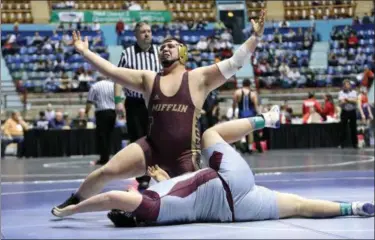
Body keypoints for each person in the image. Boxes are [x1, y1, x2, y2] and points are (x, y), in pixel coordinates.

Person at [52, 10, 267, 218]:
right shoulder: (149, 79)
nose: (165, 48)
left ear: (183, 53)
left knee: (188, 203)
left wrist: (255, 37)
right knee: (106, 171)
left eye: (171, 46)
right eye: (163, 46)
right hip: (151, 147)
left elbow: (235, 63)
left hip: (185, 156)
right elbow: (112, 72)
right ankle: (74, 200)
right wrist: (85, 52)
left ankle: (136, 211)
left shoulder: (198, 78)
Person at [52, 106, 374, 226]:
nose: (131, 189)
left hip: (238, 211)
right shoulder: (148, 204)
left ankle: (355, 208)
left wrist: (157, 179)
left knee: (301, 206)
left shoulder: (157, 204)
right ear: (131, 212)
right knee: (210, 133)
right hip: (227, 181)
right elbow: (112, 199)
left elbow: (174, 187)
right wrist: (69, 211)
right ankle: (268, 119)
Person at [114, 22, 161, 190]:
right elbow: (118, 77)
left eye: (149, 31)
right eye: (143, 32)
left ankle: (160, 171)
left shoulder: (160, 53)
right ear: (136, 35)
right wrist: (118, 101)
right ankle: (143, 176)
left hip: (156, 102)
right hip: (135, 104)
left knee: (158, 137)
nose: (147, 34)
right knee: (138, 139)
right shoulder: (127, 54)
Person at [86, 76, 116, 165]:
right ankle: (108, 157)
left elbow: (89, 101)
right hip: (112, 112)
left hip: (101, 113)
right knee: (109, 135)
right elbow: (119, 98)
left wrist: (86, 112)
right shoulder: (113, 85)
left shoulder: (95, 86)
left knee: (102, 136)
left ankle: (104, 159)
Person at [232, 79, 261, 153]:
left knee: (241, 131)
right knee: (250, 132)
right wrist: (259, 114)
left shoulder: (237, 92)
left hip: (241, 114)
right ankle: (250, 148)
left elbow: (234, 104)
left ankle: (242, 147)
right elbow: (256, 106)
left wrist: (233, 112)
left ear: (242, 84)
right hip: (251, 114)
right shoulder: (253, 94)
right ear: (249, 85)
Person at [338, 80, 358, 148]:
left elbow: (355, 101)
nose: (346, 86)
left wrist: (347, 100)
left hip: (352, 111)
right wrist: (350, 100)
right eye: (345, 85)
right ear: (343, 86)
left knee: (353, 128)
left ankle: (355, 144)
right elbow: (341, 103)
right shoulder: (341, 93)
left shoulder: (354, 92)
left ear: (350, 85)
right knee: (343, 128)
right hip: (344, 111)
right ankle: (342, 144)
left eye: (347, 85)